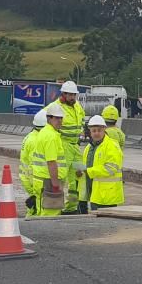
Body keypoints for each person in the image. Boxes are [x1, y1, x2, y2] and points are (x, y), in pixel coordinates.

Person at [51, 81, 85, 213]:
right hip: (64, 145)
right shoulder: (56, 107)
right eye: (70, 95)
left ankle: (72, 206)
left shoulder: (77, 106)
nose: (72, 97)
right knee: (61, 178)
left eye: (74, 95)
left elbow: (81, 119)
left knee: (78, 177)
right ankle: (55, 207)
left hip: (76, 146)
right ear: (63, 94)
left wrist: (82, 130)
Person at [30, 104, 69, 216]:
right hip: (48, 181)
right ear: (49, 118)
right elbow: (51, 162)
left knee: (41, 211)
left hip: (41, 180)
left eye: (61, 118)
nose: (60, 121)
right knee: (50, 214)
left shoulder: (44, 132)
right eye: (56, 118)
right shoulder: (51, 136)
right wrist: (55, 184)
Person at [79, 115, 124, 210]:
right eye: (94, 130)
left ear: (104, 129)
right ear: (90, 132)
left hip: (108, 196)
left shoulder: (112, 146)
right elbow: (85, 167)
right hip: (94, 194)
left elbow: (111, 168)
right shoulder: (89, 148)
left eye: (99, 130)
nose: (96, 133)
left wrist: (89, 171)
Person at [19, 109, 48, 217]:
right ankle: (32, 229)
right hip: (35, 181)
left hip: (28, 179)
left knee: (34, 207)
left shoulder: (30, 136)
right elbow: (36, 164)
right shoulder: (37, 140)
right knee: (37, 209)